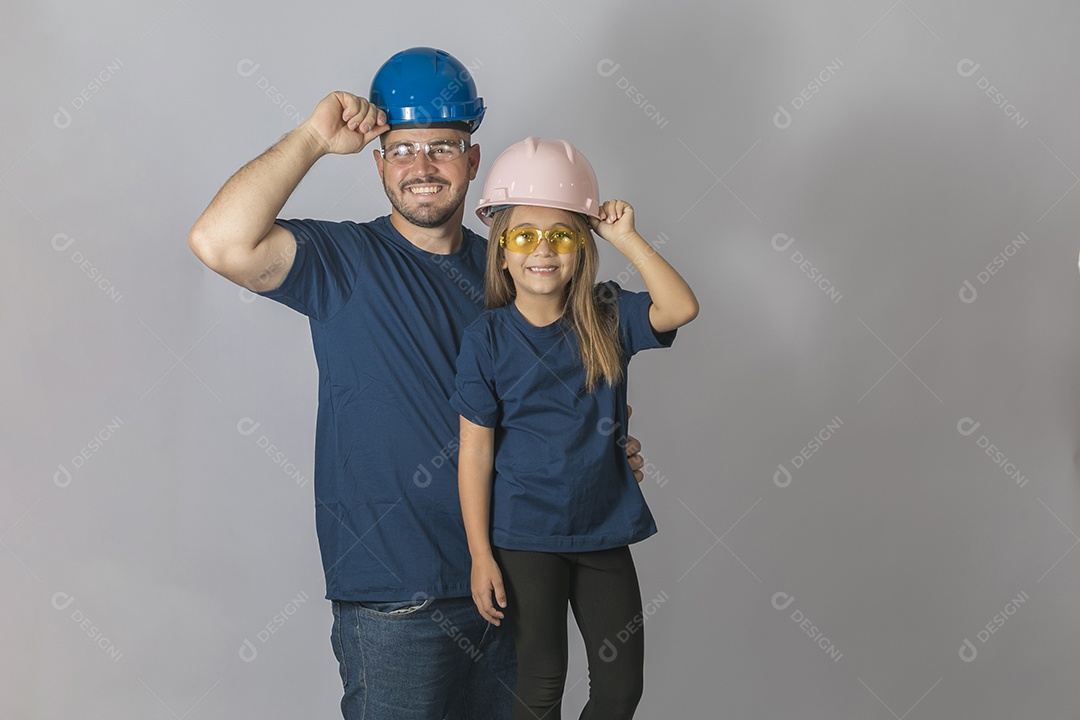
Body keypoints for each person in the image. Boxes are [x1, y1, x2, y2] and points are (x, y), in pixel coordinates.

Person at [187, 48, 647, 720]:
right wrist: (313, 138)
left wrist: (594, 448)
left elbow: (554, 394)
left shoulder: (513, 272)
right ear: (378, 163)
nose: (422, 166)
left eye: (442, 147)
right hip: (396, 595)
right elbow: (219, 242)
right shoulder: (343, 261)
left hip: (516, 575)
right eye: (402, 149)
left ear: (473, 160)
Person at [453, 137, 698, 720]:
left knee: (620, 690)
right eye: (524, 237)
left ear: (582, 248)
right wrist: (480, 555)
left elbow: (680, 308)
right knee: (542, 683)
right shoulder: (486, 339)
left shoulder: (608, 314)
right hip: (524, 537)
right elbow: (475, 453)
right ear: (501, 252)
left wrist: (626, 238)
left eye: (561, 236)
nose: (543, 250)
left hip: (603, 530)